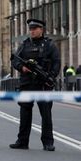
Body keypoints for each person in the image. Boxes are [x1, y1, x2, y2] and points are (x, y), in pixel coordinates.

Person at [10, 19, 61, 151]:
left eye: (34, 29)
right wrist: (22, 68)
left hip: (43, 85)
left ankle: (48, 142)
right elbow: (15, 60)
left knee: (46, 114)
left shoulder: (49, 45)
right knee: (25, 113)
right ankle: (22, 141)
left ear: (41, 29)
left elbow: (56, 63)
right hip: (27, 83)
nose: (31, 31)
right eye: (30, 29)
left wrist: (50, 77)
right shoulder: (25, 45)